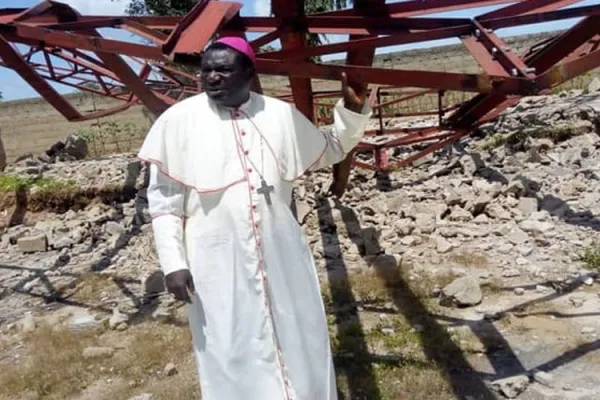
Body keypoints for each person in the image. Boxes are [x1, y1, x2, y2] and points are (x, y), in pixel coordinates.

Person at [138, 36, 371, 400]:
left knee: (299, 331)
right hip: (216, 258)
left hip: (282, 254)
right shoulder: (178, 123)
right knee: (228, 343)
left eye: (223, 70)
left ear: (248, 72)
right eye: (206, 71)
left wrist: (352, 113)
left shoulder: (279, 115)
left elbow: (331, 147)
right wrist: (173, 264)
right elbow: (165, 203)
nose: (212, 78)